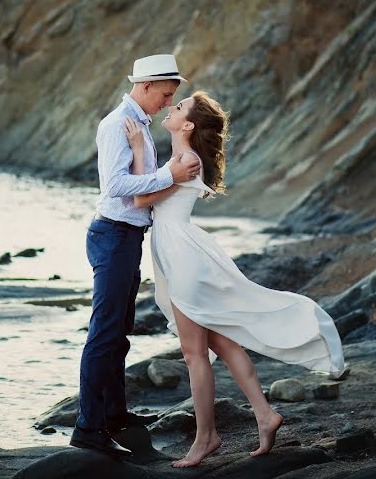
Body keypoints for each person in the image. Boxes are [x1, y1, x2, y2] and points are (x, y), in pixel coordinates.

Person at [124, 90, 345, 468]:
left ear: (188, 124)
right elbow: (148, 193)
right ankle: (264, 414)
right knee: (223, 344)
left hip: (183, 258)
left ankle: (205, 438)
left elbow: (140, 199)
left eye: (178, 107)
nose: (171, 108)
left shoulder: (187, 159)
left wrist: (137, 150)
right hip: (181, 253)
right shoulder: (181, 157)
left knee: (195, 355)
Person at [70, 54, 202, 458]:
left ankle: (115, 415)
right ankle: (87, 430)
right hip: (113, 236)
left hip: (126, 238)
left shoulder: (139, 124)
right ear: (145, 86)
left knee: (119, 333)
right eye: (165, 94)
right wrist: (171, 176)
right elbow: (115, 186)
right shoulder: (116, 125)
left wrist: (168, 179)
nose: (167, 102)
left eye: (171, 97)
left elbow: (139, 186)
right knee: (104, 335)